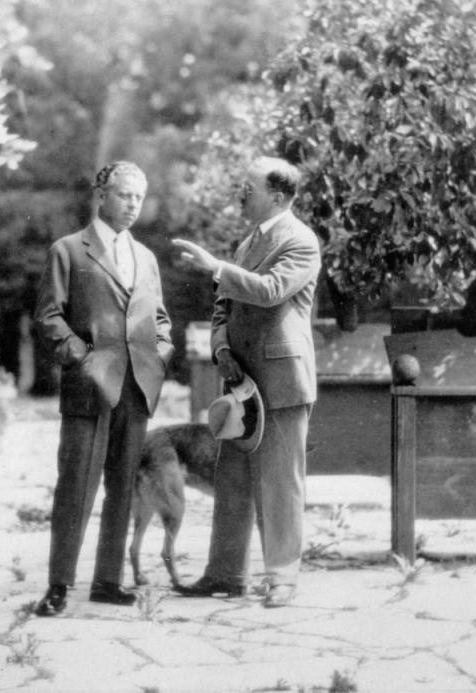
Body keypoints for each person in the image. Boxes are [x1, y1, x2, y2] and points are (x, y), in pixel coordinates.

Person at [171, 156, 321, 608]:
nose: (240, 194)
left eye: (248, 187)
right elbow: (224, 308)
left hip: (280, 381)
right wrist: (220, 350)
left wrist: (214, 266)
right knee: (232, 480)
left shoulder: (301, 241)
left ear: (277, 196)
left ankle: (282, 578)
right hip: (240, 382)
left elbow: (270, 290)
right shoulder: (246, 244)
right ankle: (225, 574)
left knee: (280, 482)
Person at [32, 161, 174, 616]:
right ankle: (59, 585)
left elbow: (161, 319)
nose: (133, 204)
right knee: (76, 486)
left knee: (122, 487)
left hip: (136, 388)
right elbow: (49, 317)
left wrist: (161, 353)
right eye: (124, 195)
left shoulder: (146, 257)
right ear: (102, 195)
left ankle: (108, 582)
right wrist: (83, 359)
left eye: (139, 197)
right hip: (90, 387)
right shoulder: (69, 251)